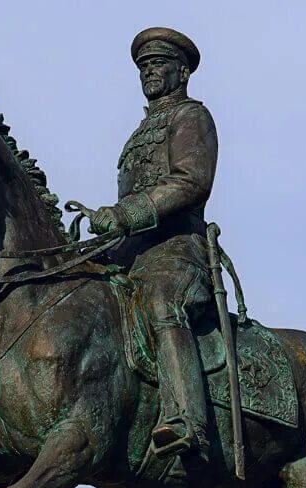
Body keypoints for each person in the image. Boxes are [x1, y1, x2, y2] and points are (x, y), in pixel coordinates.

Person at [88, 27, 218, 459]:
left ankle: (187, 419)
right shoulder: (141, 131)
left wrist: (126, 214)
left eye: (158, 64)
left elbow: (191, 181)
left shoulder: (191, 116)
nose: (149, 72)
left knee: (163, 303)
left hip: (178, 250)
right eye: (144, 66)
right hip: (132, 252)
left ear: (181, 72)